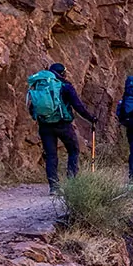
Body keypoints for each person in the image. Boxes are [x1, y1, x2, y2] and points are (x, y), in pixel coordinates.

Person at [27, 63, 98, 194]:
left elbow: (32, 106)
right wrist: (91, 118)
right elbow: (78, 106)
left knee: (51, 155)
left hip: (45, 125)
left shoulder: (40, 85)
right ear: (63, 72)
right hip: (62, 124)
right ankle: (72, 183)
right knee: (73, 150)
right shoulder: (65, 86)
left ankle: (54, 187)